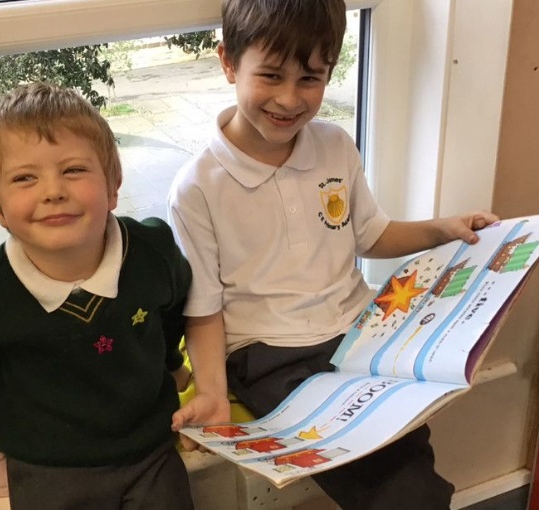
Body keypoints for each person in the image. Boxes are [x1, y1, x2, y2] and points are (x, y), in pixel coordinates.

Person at [167, 1, 499, 509]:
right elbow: (204, 307)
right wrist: (212, 392)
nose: (288, 99)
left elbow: (370, 234)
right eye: (271, 75)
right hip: (269, 353)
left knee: (407, 445)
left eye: (310, 78)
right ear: (229, 62)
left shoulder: (335, 146)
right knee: (393, 487)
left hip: (358, 330)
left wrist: (441, 229)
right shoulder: (197, 186)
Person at [0, 82, 195, 510]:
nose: (53, 191)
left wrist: (171, 363)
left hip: (151, 449)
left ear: (113, 186)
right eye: (25, 178)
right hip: (45, 463)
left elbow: (175, 305)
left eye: (73, 170)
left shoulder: (152, 251)